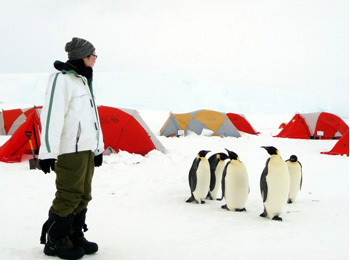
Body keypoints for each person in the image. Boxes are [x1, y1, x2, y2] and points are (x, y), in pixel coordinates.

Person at [38, 37, 104, 260]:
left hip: (86, 149)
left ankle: (74, 234)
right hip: (70, 150)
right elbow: (51, 116)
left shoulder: (83, 80)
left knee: (84, 194)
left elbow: (92, 118)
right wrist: (47, 152)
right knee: (69, 195)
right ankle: (55, 240)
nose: (96, 59)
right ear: (83, 56)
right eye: (93, 55)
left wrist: (98, 148)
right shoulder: (62, 79)